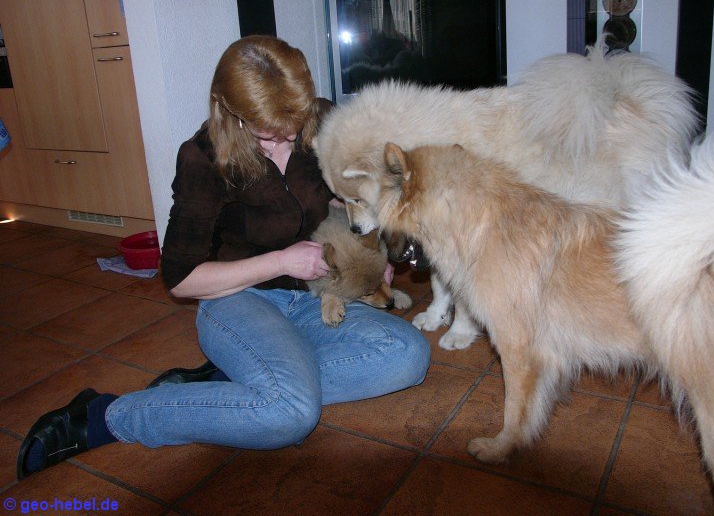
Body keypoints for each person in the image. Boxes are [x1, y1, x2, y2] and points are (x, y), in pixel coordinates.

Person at [16, 35, 430, 478]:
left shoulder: (321, 121)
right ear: (231, 112)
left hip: (314, 296)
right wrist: (281, 262)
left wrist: (378, 248)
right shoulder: (203, 159)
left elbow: (360, 193)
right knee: (290, 414)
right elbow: (180, 279)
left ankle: (239, 381)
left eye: (295, 122)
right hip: (240, 298)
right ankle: (107, 416)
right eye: (270, 131)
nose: (291, 137)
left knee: (408, 355)